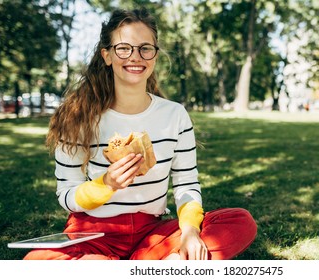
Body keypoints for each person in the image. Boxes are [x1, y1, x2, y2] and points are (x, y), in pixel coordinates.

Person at [24, 8, 257, 260]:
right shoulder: (77, 116)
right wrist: (106, 184)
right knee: (36, 261)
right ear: (107, 56)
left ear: (155, 55)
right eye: (124, 48)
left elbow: (186, 182)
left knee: (239, 221)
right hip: (93, 235)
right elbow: (67, 194)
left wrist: (190, 231)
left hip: (152, 234)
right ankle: (161, 267)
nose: (136, 57)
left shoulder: (174, 114)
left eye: (145, 48)